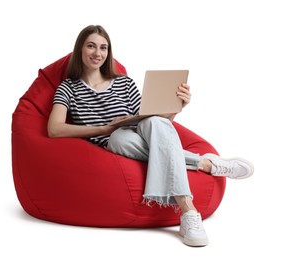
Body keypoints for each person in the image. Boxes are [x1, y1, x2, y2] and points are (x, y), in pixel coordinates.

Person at [47, 25, 254, 247]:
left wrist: (176, 107)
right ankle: (200, 173)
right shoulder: (68, 88)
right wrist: (104, 129)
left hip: (141, 132)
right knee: (119, 138)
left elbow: (149, 117)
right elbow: (55, 129)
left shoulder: (124, 82)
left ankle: (188, 212)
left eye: (103, 48)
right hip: (112, 141)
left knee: (155, 120)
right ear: (80, 49)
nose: (98, 53)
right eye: (91, 46)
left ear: (109, 52)